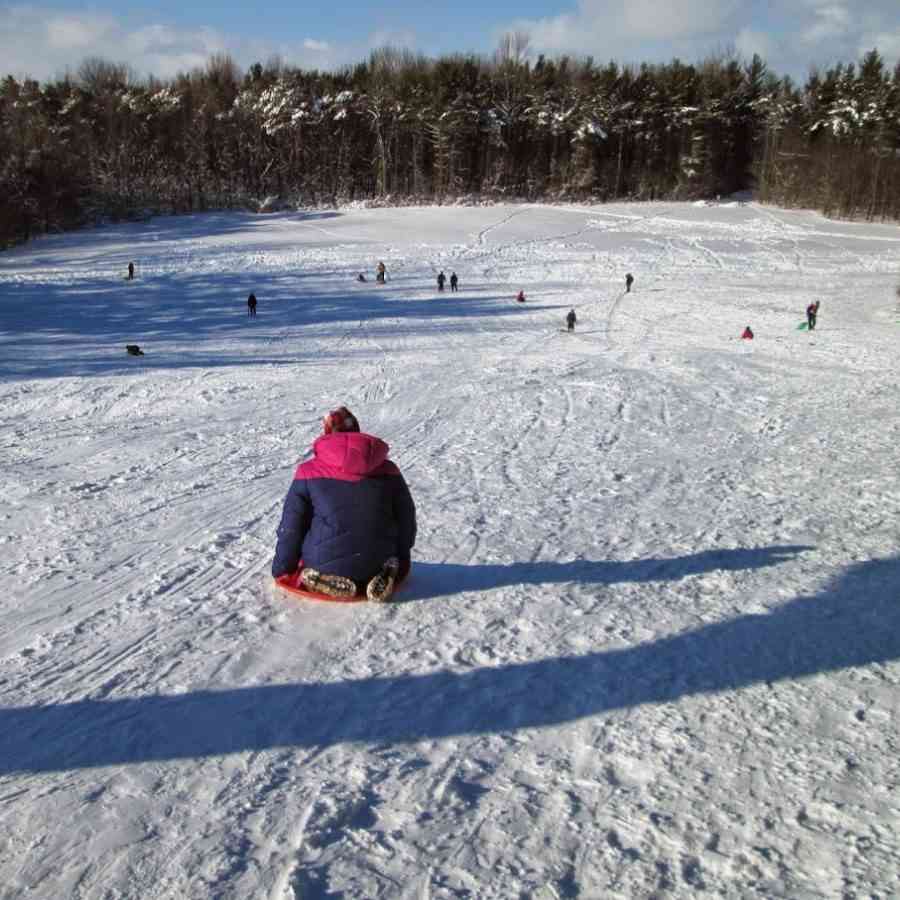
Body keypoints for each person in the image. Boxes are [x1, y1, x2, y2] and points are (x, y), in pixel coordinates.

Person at [271, 406, 417, 602]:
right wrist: (402, 557)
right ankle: (383, 571)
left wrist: (283, 568)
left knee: (319, 548)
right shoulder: (389, 470)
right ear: (356, 431)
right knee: (383, 557)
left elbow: (292, 526)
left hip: (322, 561)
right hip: (377, 557)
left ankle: (319, 577)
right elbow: (406, 517)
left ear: (327, 434)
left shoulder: (307, 471)